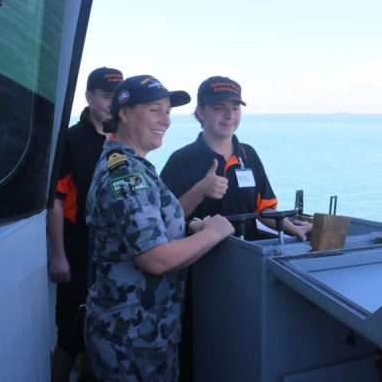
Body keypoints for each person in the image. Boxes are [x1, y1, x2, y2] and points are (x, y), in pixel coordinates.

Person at [84, 75, 235, 381]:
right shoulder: (124, 173)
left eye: (167, 111)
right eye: (155, 110)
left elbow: (154, 222)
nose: (165, 120)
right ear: (124, 114)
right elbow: (156, 258)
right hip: (131, 341)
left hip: (148, 333)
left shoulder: (132, 164)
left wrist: (194, 212)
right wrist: (213, 232)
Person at [160, 76, 312, 379]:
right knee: (201, 340)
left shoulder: (249, 155)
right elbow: (165, 221)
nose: (229, 115)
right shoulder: (182, 161)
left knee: (244, 339)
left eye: (235, 107)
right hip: (201, 271)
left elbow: (264, 209)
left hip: (247, 267)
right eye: (219, 108)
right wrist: (201, 190)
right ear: (200, 113)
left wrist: (292, 227)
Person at [48, 67, 123, 382]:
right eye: (107, 97)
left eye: (118, 98)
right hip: (78, 251)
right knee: (70, 333)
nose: (112, 104)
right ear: (89, 96)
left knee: (104, 331)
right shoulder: (71, 139)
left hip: (115, 254)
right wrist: (58, 255)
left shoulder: (122, 140)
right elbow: (55, 200)